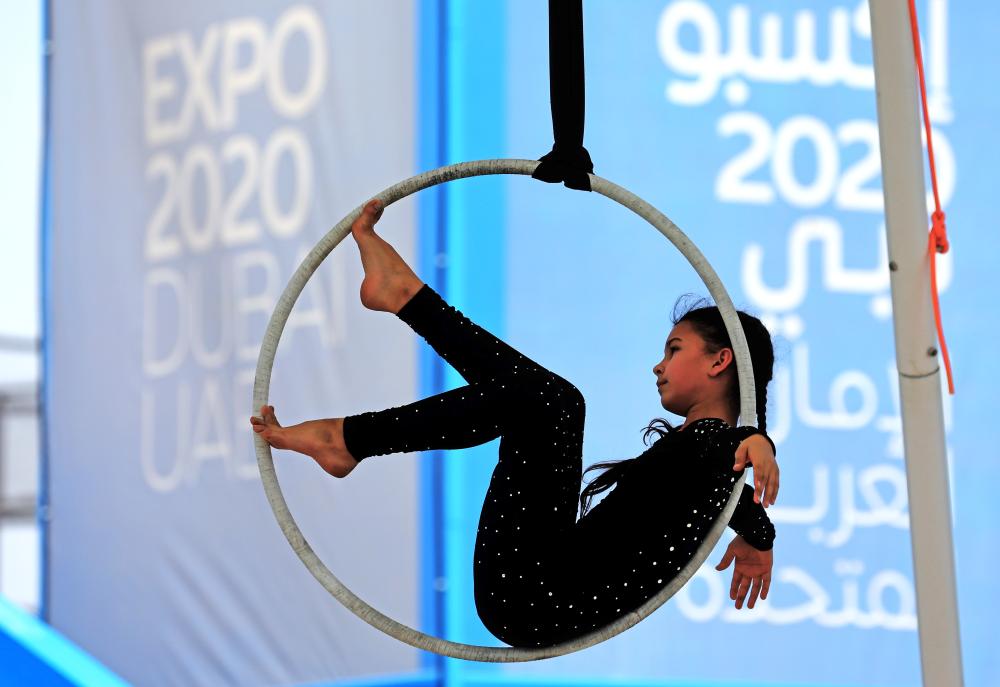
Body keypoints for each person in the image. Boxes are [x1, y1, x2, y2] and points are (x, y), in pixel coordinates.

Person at [250, 199, 781, 648]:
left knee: (555, 404)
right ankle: (399, 300)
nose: (658, 365)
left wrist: (758, 446)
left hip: (535, 592)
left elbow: (734, 455)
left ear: (720, 362)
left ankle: (353, 423)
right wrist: (757, 534)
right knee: (548, 403)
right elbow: (734, 483)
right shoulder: (711, 458)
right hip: (543, 585)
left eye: (674, 349)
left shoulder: (717, 447)